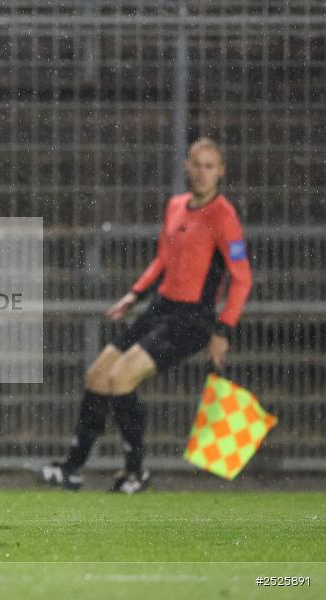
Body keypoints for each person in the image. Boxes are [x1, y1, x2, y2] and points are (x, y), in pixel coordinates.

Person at [40, 137, 253, 494]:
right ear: (187, 166)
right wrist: (134, 294)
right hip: (159, 309)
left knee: (121, 378)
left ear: (221, 172)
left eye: (210, 166)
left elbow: (242, 279)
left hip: (192, 318)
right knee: (97, 375)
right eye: (196, 164)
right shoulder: (176, 206)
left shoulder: (224, 216)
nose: (202, 173)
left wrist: (223, 329)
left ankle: (135, 472)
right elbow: (163, 260)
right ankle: (71, 471)